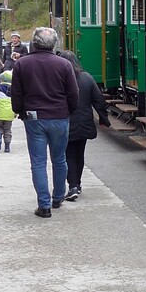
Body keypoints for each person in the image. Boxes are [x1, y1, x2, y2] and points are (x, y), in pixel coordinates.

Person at [10, 27, 78, 218]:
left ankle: (44, 205)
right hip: (59, 116)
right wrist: (68, 111)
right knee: (59, 159)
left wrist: (19, 111)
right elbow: (73, 93)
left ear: (34, 42)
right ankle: (58, 197)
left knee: (38, 162)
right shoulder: (64, 64)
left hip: (34, 118)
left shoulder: (22, 64)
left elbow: (16, 93)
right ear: (54, 44)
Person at [56, 49, 110, 201]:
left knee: (69, 155)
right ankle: (77, 184)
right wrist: (103, 119)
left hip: (66, 123)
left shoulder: (60, 78)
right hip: (85, 122)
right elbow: (98, 99)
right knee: (79, 154)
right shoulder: (87, 77)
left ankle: (72, 186)